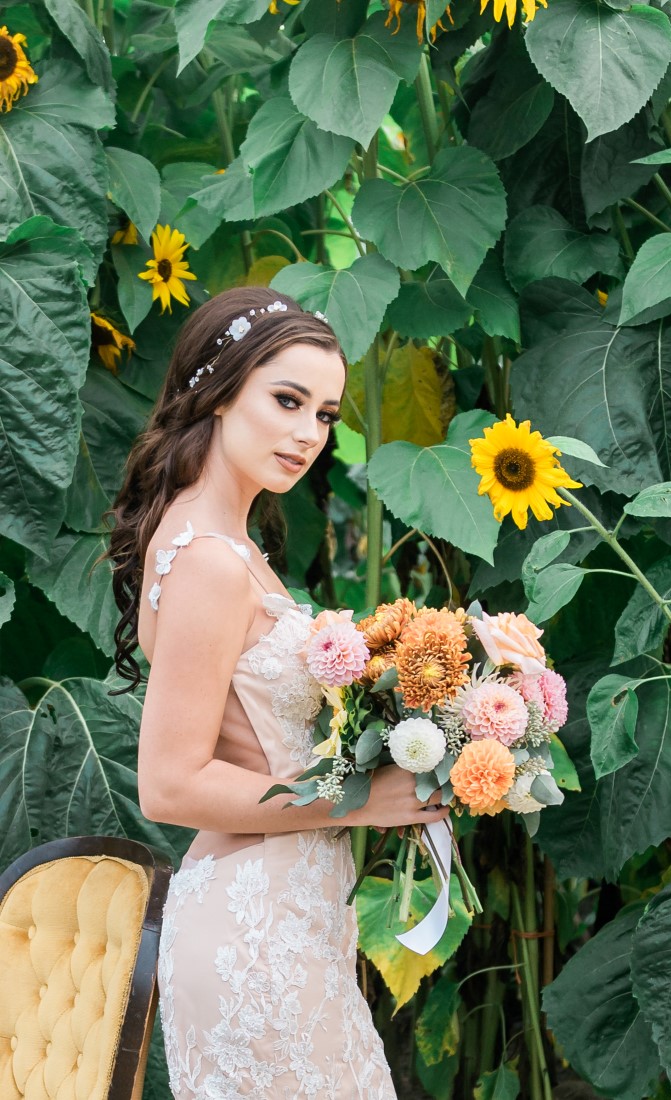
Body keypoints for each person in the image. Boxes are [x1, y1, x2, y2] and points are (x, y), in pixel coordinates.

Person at [107, 286, 449, 1100]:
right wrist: (357, 797)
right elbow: (170, 783)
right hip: (250, 930)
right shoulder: (209, 562)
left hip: (290, 916)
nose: (307, 434)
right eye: (287, 400)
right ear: (219, 389)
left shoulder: (226, 543)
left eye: (326, 415)